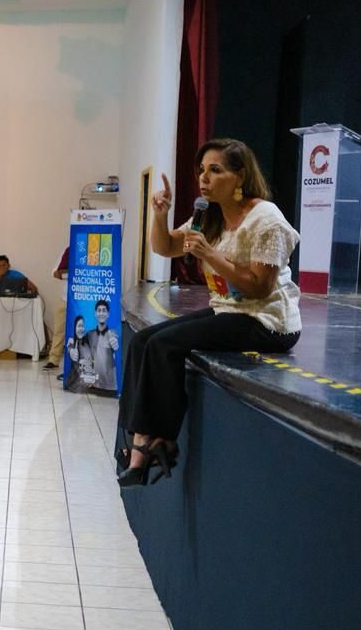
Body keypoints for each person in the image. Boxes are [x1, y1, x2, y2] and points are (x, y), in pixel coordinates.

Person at [117, 140, 303, 488]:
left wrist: (212, 255)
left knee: (165, 345)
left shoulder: (266, 219)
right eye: (201, 170)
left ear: (240, 176)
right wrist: (159, 214)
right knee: (143, 340)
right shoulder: (209, 215)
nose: (204, 178)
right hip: (228, 311)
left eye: (215, 170)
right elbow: (167, 246)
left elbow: (260, 288)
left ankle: (160, 442)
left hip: (267, 322)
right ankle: (137, 438)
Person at [44, 246, 71, 371]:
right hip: (65, 298)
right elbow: (55, 272)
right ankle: (53, 360)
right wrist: (68, 273)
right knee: (59, 330)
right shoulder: (67, 251)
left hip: (84, 299)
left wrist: (66, 273)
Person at [81, 299, 118, 392]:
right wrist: (69, 348)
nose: (101, 313)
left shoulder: (113, 333)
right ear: (95, 313)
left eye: (104, 310)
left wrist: (116, 347)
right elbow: (79, 345)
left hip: (109, 385)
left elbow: (117, 348)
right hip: (93, 383)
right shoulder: (89, 334)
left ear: (108, 314)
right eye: (99, 310)